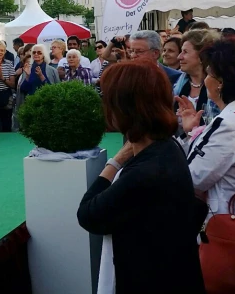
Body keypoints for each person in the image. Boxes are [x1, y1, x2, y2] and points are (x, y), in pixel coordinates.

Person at [77, 60, 205, 294]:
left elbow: (88, 214)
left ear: (124, 106)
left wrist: (114, 163)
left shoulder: (146, 171)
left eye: (106, 97)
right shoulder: (166, 147)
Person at [178, 38, 235, 222]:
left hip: (227, 227)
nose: (205, 80)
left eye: (208, 73)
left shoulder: (228, 124)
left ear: (220, 82)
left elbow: (192, 178)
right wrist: (193, 131)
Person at [173, 29, 221, 126]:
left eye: (185, 52)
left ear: (201, 56)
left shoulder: (218, 87)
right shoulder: (177, 83)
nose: (179, 57)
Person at [14, 45, 60, 131]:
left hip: (46, 105)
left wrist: (41, 76)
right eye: (34, 52)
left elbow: (54, 90)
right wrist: (27, 76)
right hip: (31, 103)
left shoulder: (52, 70)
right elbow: (23, 90)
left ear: (44, 55)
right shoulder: (28, 68)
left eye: (39, 52)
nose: (36, 54)